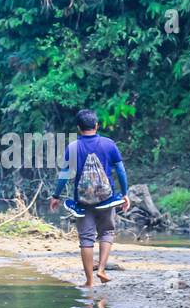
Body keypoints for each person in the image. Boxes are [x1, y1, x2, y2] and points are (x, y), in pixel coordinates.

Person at [48, 109, 131, 288]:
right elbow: (121, 171)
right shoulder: (109, 144)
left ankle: (89, 281)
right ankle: (101, 269)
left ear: (78, 128)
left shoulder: (72, 147)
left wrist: (55, 196)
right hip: (106, 200)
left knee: (86, 239)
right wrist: (125, 194)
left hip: (82, 202)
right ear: (96, 125)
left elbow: (64, 175)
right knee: (107, 233)